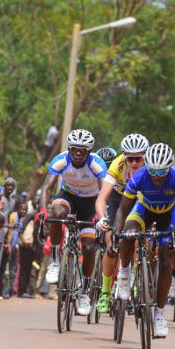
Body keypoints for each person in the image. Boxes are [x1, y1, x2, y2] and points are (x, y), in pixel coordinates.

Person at [113, 143, 175, 338]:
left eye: (162, 172)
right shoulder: (139, 176)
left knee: (166, 261)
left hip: (168, 216)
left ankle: (159, 314)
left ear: (170, 168)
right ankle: (124, 274)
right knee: (129, 234)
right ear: (147, 166)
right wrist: (117, 233)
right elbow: (123, 209)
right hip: (143, 211)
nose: (156, 176)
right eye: (153, 171)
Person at [39, 129, 107, 316]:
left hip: (91, 202)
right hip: (68, 196)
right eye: (75, 149)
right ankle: (54, 259)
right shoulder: (60, 160)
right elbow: (47, 187)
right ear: (69, 149)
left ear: (89, 151)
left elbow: (104, 194)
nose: (78, 153)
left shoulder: (97, 164)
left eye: (82, 150)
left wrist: (103, 218)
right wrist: (43, 212)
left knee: (88, 246)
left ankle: (84, 291)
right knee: (56, 211)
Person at [95, 133, 149, 314]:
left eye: (138, 158)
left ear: (145, 156)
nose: (134, 162)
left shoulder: (150, 167)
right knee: (112, 243)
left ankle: (134, 282)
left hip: (141, 199)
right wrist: (102, 218)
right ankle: (105, 291)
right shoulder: (117, 164)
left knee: (136, 240)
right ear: (124, 156)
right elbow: (102, 198)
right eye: (130, 158)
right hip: (118, 198)